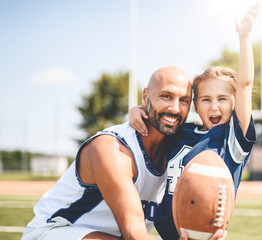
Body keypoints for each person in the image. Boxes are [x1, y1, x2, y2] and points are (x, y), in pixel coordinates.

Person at [129, 3, 260, 240]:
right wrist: (136, 111)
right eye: (206, 99)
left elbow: (245, 85)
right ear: (195, 105)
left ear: (234, 103)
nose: (214, 106)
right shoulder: (182, 131)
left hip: (201, 233)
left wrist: (244, 37)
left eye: (222, 99)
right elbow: (156, 121)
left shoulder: (232, 141)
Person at [21, 66, 193, 240]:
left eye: (184, 100)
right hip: (52, 231)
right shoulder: (111, 148)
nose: (175, 108)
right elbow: (134, 234)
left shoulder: (177, 148)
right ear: (145, 96)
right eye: (166, 96)